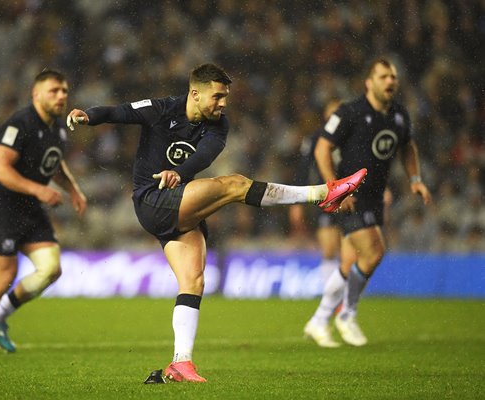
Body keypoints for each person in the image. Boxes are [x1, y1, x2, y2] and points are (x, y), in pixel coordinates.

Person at [67, 63, 366, 381]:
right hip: (151, 201)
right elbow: (120, 112)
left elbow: (202, 158)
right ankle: (323, 192)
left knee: (193, 282)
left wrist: (180, 174)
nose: (223, 103)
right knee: (235, 184)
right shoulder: (161, 109)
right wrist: (89, 115)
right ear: (195, 93)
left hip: (178, 205)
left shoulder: (218, 126)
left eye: (225, 97)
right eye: (218, 96)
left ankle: (180, 362)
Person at [303, 57, 431, 348]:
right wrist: (336, 188)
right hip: (349, 197)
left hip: (374, 196)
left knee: (349, 263)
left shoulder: (399, 115)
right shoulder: (350, 112)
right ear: (369, 82)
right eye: (384, 76)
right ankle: (347, 315)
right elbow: (322, 148)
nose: (390, 82)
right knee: (374, 252)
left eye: (393, 77)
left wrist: (415, 179)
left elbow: (408, 146)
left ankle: (319, 320)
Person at [0, 69, 87, 356]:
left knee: (51, 269)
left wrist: (74, 189)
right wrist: (39, 190)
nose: (61, 96)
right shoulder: (20, 123)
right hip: (0, 207)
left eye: (64, 91)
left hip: (29, 208)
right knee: (5, 276)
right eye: (54, 91)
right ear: (36, 94)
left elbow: (54, 163)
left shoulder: (57, 128)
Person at [289, 99, 344, 286]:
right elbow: (303, 170)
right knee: (329, 250)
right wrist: (297, 204)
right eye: (331, 113)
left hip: (352, 198)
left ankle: (346, 297)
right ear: (325, 116)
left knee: (348, 250)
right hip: (327, 198)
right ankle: (330, 295)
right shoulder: (315, 139)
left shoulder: (355, 137)